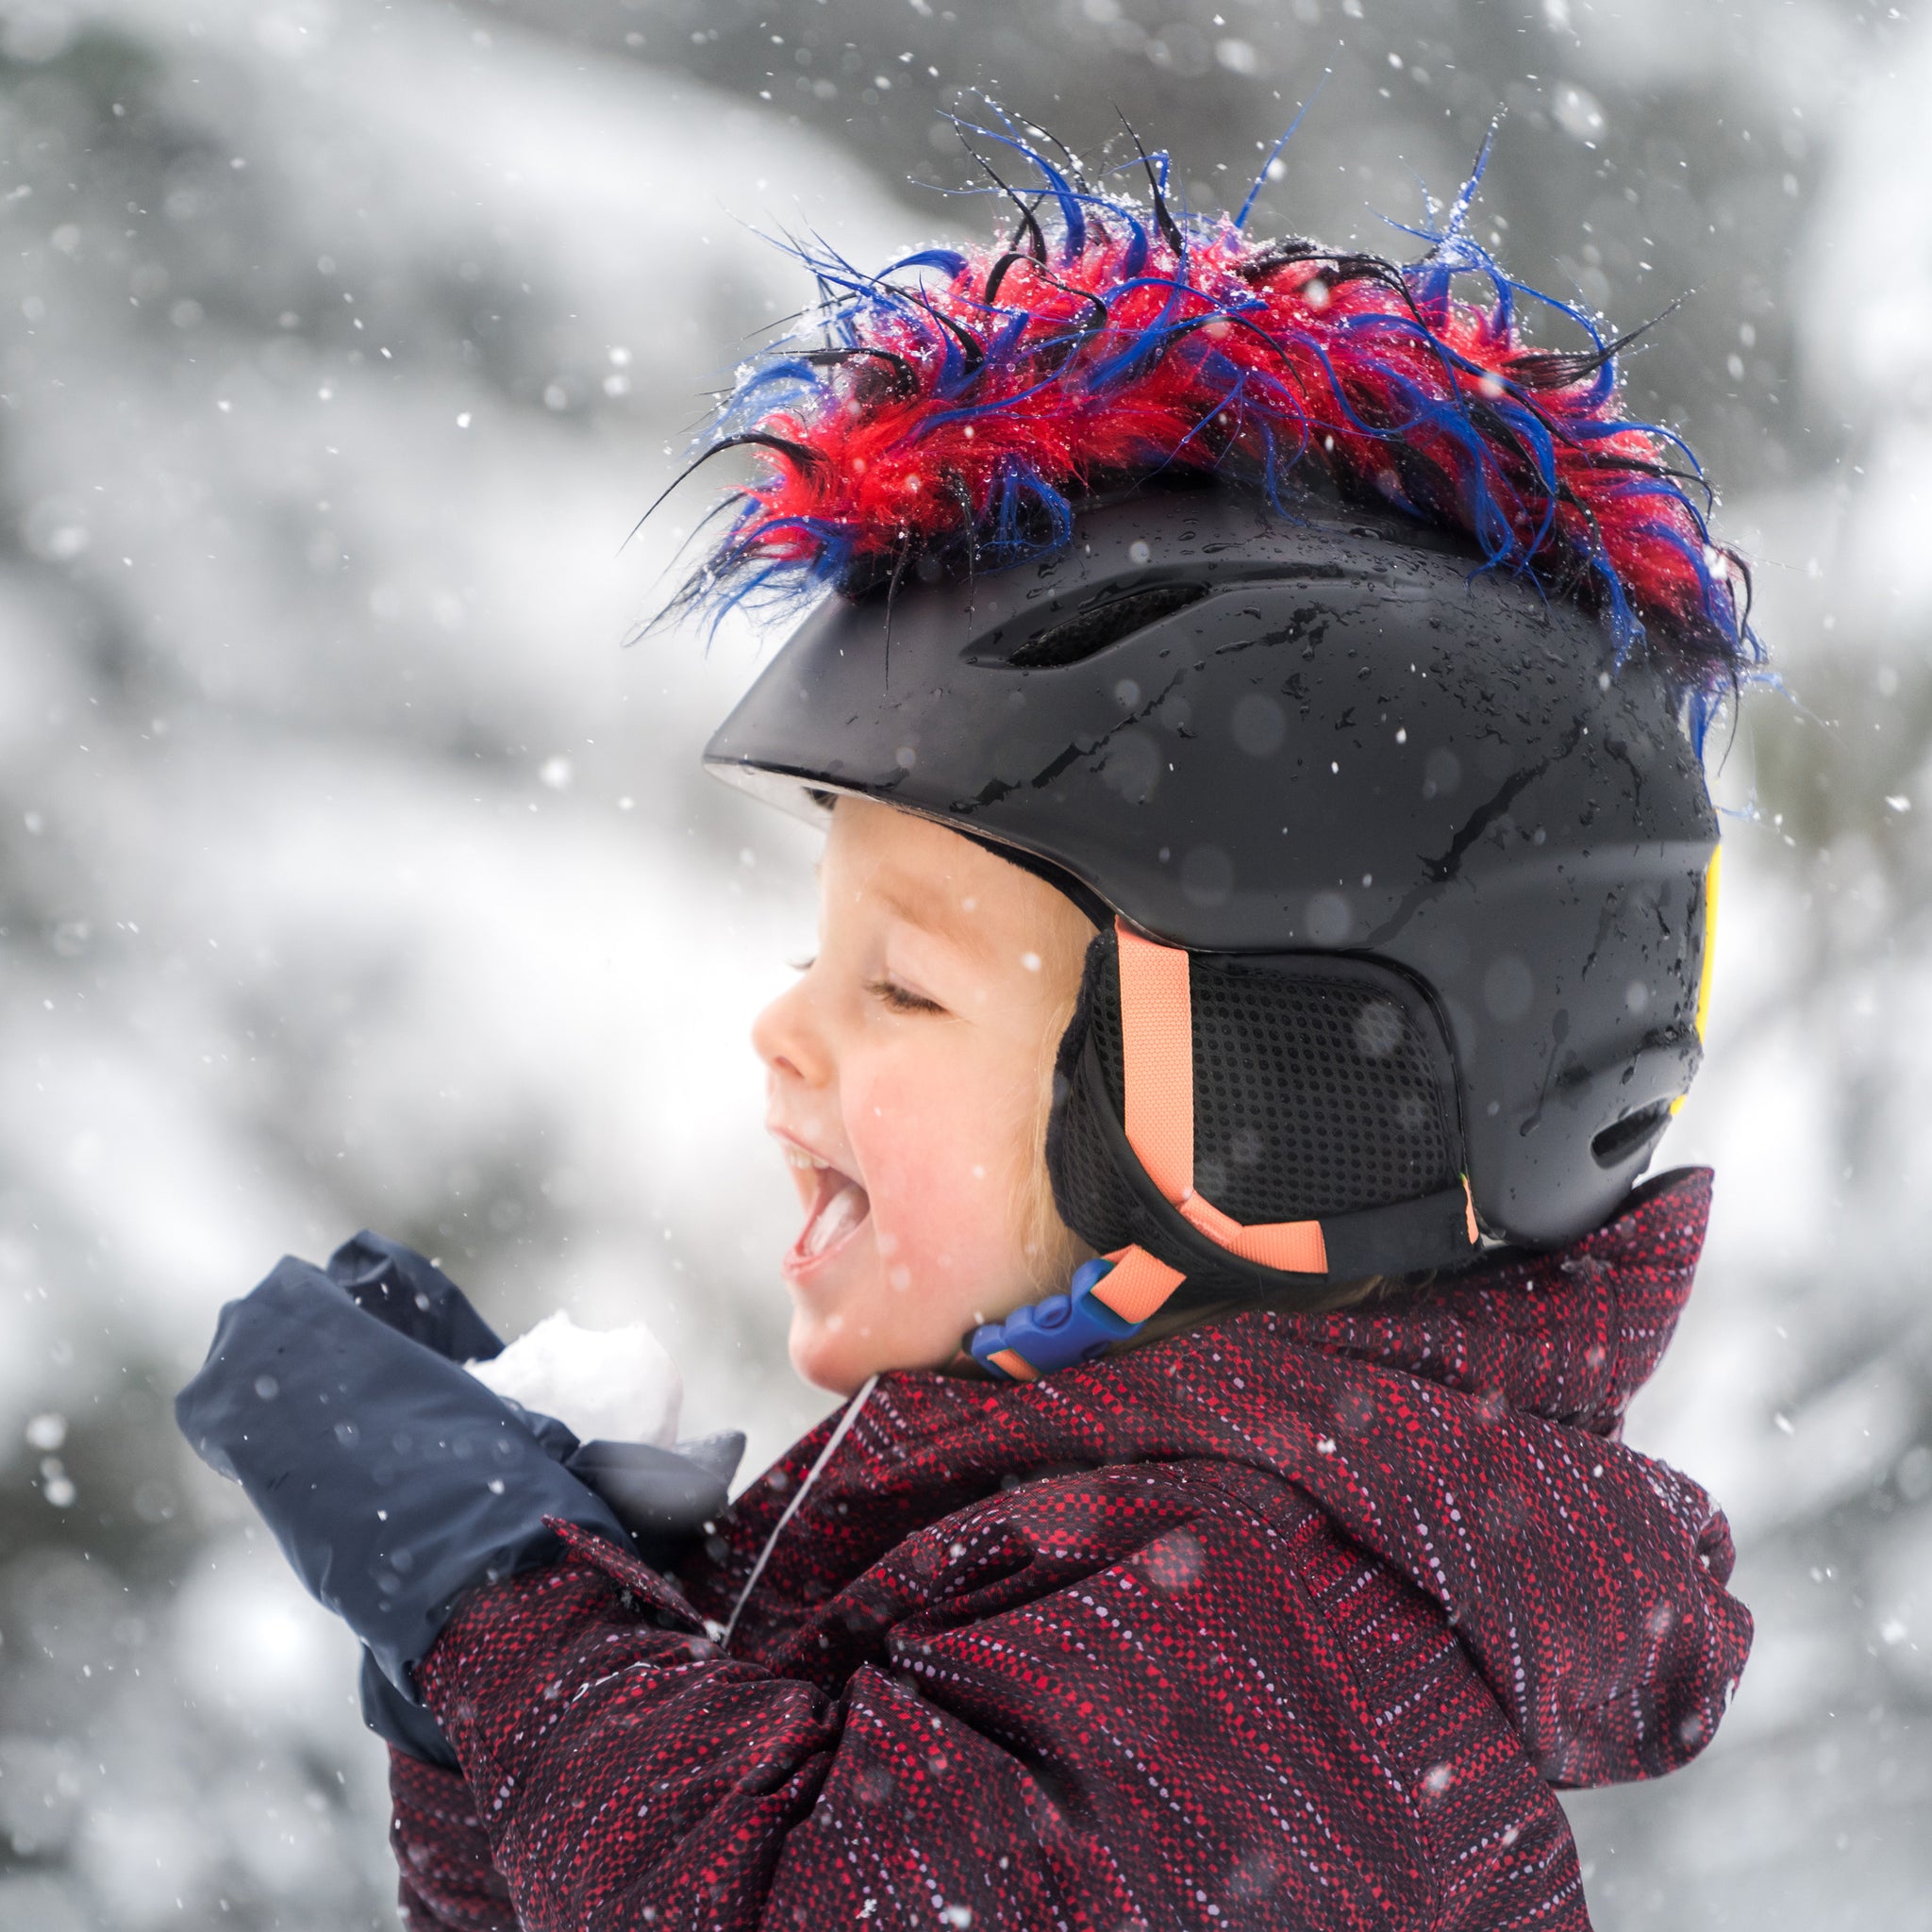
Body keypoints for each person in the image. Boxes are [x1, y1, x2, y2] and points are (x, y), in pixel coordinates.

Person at [176, 129, 1757, 1931]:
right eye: (814, 951)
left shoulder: (1258, 1651)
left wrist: (514, 1620)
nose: (784, 1027)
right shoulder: (1115, 1563)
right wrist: (511, 1714)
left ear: (1283, 1105)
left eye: (904, 984)